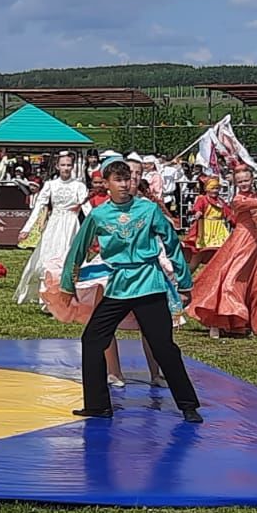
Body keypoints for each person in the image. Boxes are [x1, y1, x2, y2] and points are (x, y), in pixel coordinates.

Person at [60, 160, 203, 424]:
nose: (124, 185)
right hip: (119, 285)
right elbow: (78, 248)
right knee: (93, 339)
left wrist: (184, 283)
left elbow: (172, 243)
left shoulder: (148, 210)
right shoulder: (99, 215)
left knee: (163, 346)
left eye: (128, 179)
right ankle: (98, 404)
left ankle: (188, 405)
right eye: (118, 180)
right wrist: (68, 284)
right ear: (106, 184)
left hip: (149, 283)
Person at [188, 167, 257, 339]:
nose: (243, 184)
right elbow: (251, 205)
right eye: (239, 181)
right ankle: (216, 323)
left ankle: (256, 326)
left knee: (256, 287)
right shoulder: (237, 199)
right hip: (240, 242)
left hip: (255, 244)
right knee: (229, 281)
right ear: (235, 183)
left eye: (246, 180)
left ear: (252, 179)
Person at [15, 153, 88, 304]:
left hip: (71, 224)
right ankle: (45, 297)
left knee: (67, 256)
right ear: (57, 166)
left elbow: (88, 209)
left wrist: (98, 228)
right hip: (54, 223)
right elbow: (39, 207)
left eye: (69, 165)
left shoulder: (79, 186)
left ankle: (66, 295)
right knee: (48, 256)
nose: (66, 168)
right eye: (63, 165)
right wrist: (27, 229)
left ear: (73, 166)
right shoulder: (50, 185)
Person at [182, 176, 230, 272]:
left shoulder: (220, 201)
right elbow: (198, 207)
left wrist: (233, 220)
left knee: (220, 255)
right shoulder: (203, 199)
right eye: (212, 188)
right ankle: (186, 278)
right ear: (207, 189)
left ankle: (213, 277)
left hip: (219, 231)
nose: (215, 191)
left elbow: (228, 213)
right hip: (205, 230)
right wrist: (198, 212)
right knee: (198, 255)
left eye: (217, 188)